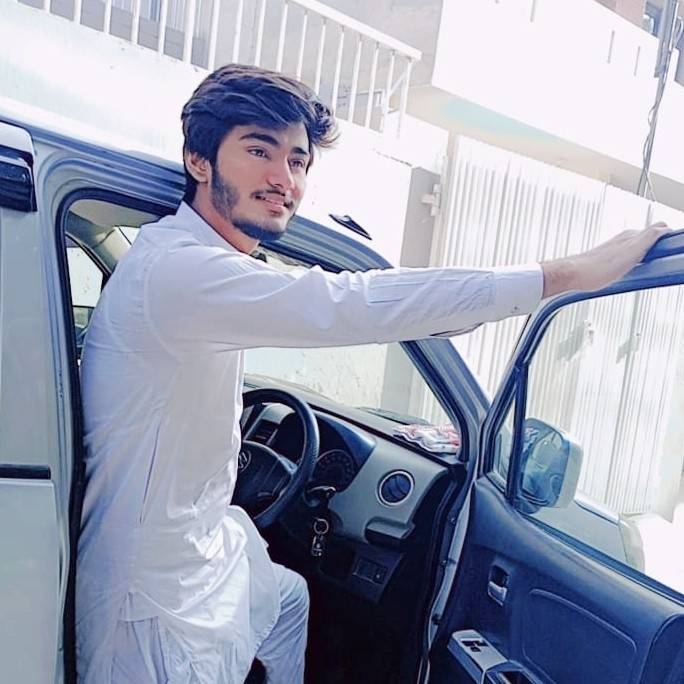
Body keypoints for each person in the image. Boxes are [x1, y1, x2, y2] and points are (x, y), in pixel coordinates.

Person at [75, 62, 668, 684]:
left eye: (298, 161)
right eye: (259, 151)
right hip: (151, 607)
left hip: (202, 556)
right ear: (199, 160)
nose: (284, 178)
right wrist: (561, 276)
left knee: (288, 600)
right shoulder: (180, 273)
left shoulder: (194, 265)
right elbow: (350, 304)